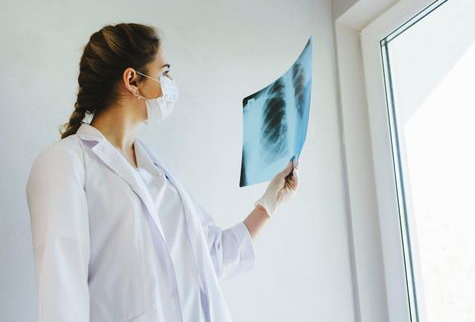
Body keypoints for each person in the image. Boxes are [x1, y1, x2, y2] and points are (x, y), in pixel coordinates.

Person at [25, 22, 300, 322]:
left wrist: (271, 201)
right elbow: (62, 302)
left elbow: (211, 258)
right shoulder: (65, 164)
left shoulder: (157, 170)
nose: (170, 82)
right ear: (132, 80)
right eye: (164, 71)